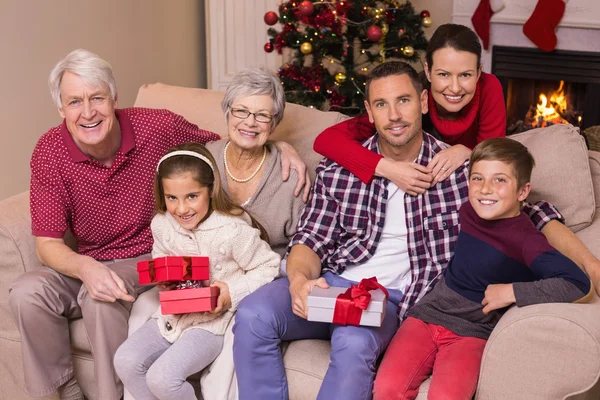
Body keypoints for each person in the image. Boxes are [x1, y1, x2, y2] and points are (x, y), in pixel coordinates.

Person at [232, 61, 566, 400]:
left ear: (423, 102)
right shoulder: (341, 168)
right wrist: (300, 280)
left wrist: (587, 262)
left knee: (354, 341)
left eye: (403, 101)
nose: (393, 115)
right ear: (369, 112)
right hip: (332, 284)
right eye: (381, 104)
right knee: (253, 314)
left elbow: (526, 209)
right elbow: (310, 237)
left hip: (389, 298)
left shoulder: (457, 172)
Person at [7, 48, 308, 400]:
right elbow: (47, 244)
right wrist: (87, 268)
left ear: (114, 98)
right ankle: (61, 392)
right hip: (87, 258)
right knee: (26, 292)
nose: (87, 112)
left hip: (145, 255)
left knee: (100, 297)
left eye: (97, 98)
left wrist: (281, 145)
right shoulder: (49, 150)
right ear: (61, 109)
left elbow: (228, 139)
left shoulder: (156, 127)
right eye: (74, 102)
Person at [372, 138, 593, 400]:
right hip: (426, 316)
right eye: (477, 179)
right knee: (385, 388)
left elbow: (578, 283)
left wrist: (512, 292)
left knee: (446, 397)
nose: (485, 189)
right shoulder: (468, 210)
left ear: (523, 191)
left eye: (500, 180)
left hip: (472, 332)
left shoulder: (526, 240)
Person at [114, 143, 280, 399]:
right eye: (172, 198)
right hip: (171, 318)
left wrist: (230, 293)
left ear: (210, 190)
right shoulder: (162, 225)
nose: (182, 209)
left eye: (192, 196)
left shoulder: (232, 230)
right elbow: (161, 259)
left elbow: (269, 266)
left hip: (211, 325)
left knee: (163, 378)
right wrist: (165, 281)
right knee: (125, 360)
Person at [313, 23, 506, 195]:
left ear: (479, 72)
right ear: (428, 71)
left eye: (465, 75)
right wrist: (390, 169)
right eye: (443, 74)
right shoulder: (407, 99)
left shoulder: (489, 87)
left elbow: (497, 156)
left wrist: (468, 152)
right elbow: (326, 140)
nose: (455, 88)